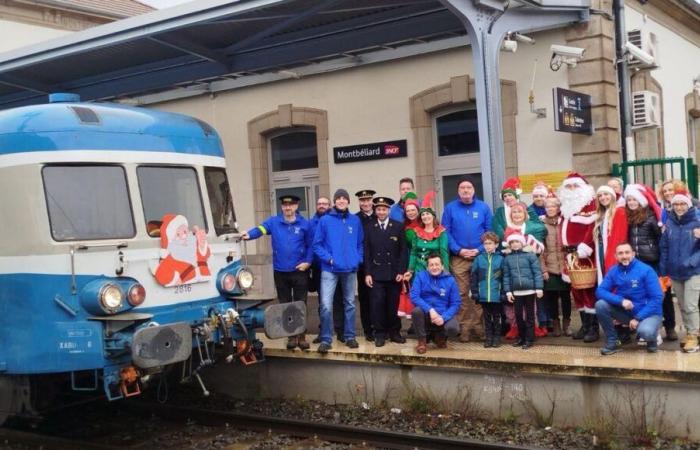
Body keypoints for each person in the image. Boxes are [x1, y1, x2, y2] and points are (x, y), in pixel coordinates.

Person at [242, 195, 313, 350]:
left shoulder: (305, 224)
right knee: (285, 305)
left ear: (296, 206)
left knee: (300, 304)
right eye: (285, 205)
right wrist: (249, 235)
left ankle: (301, 336)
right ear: (282, 207)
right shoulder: (274, 222)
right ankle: (291, 336)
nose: (288, 208)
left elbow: (310, 246)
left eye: (291, 205)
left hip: (299, 271)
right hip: (281, 271)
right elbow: (260, 229)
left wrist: (307, 262)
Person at [441, 176, 493, 342]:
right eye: (462, 187)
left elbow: (489, 231)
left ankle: (478, 327)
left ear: (473, 190)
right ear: (458, 191)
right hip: (459, 257)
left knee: (479, 293)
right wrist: (459, 250)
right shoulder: (450, 208)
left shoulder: (483, 208)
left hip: (480, 257)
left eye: (468, 187)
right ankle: (464, 328)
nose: (465, 190)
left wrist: (478, 249)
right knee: (461, 293)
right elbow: (445, 232)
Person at [313, 189, 364, 353]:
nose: (341, 201)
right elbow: (317, 245)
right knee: (326, 305)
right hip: (330, 269)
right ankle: (326, 338)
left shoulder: (355, 220)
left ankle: (350, 336)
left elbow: (360, 243)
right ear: (334, 202)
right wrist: (329, 259)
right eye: (338, 199)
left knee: (349, 304)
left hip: (349, 269)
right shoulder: (325, 220)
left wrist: (357, 259)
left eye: (344, 198)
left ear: (348, 202)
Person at [595, 242, 663, 355]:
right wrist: (621, 301)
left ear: (633, 254)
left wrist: (638, 318)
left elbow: (657, 298)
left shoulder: (646, 270)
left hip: (648, 313)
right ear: (615, 256)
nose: (624, 256)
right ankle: (613, 342)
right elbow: (600, 291)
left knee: (645, 332)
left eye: (627, 252)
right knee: (600, 305)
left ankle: (652, 338)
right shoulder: (614, 271)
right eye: (620, 253)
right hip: (627, 312)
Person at [558, 172, 600, 343]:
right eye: (569, 186)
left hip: (584, 254)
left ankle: (593, 328)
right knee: (576, 292)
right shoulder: (565, 206)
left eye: (576, 186)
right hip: (569, 255)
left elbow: (593, 227)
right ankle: (584, 325)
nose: (572, 189)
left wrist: (586, 245)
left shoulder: (591, 205)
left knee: (588, 290)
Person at [659, 188, 700, 353]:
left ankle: (693, 336)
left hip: (693, 271)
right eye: (676, 204)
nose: (679, 207)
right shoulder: (669, 223)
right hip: (674, 271)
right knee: (682, 305)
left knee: (690, 305)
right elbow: (664, 247)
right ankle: (693, 332)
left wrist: (692, 262)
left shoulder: (697, 221)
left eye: (683, 203)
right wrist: (664, 268)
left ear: (688, 204)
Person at [363, 196, 407, 347]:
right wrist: (367, 273)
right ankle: (380, 334)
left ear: (389, 210)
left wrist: (401, 270)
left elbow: (403, 251)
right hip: (376, 273)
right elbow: (366, 252)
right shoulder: (370, 228)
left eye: (384, 209)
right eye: (379, 209)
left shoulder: (398, 226)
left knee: (393, 304)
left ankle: (394, 332)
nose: (381, 212)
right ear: (375, 210)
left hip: (394, 273)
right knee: (377, 305)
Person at [309, 197, 345, 344]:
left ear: (330, 206)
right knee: (323, 303)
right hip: (319, 267)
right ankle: (324, 331)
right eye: (319, 204)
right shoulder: (311, 223)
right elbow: (311, 245)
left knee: (338, 300)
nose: (321, 206)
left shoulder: (336, 221)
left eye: (324, 204)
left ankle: (340, 331)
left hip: (336, 267)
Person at [410, 253, 461, 354]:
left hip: (442, 314)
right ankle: (422, 341)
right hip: (426, 314)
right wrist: (430, 309)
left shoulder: (450, 280)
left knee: (453, 328)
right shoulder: (420, 276)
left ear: (442, 266)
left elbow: (456, 303)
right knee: (416, 311)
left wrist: (444, 317)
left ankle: (440, 336)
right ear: (427, 267)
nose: (434, 267)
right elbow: (414, 296)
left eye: (437, 264)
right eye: (431, 265)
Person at [503, 232, 544, 350]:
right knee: (518, 316)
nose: (515, 244)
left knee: (530, 316)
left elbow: (537, 272)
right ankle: (521, 337)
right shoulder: (508, 258)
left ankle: (529, 339)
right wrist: (508, 292)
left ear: (522, 243)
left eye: (517, 242)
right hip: (516, 292)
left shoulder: (530, 255)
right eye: (512, 243)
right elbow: (506, 276)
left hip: (530, 291)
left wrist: (539, 288)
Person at [541, 193, 572, 337]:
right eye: (547, 206)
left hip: (565, 267)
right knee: (551, 298)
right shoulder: (541, 225)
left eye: (553, 206)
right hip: (550, 267)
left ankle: (567, 323)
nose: (550, 208)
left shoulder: (565, 222)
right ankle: (555, 323)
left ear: (559, 207)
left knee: (566, 297)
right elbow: (540, 250)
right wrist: (543, 269)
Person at [470, 232, 505, 348]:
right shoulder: (479, 259)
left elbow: (504, 277)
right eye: (486, 244)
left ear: (496, 244)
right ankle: (488, 337)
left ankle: (497, 337)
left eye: (490, 243)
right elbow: (473, 276)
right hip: (483, 294)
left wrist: (503, 292)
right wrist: (475, 291)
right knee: (486, 317)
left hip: (496, 295)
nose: (488, 246)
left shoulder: (501, 259)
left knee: (497, 316)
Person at [404, 192, 449, 277]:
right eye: (423, 215)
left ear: (433, 216)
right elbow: (413, 253)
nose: (425, 216)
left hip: (434, 270)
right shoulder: (417, 232)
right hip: (418, 270)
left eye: (427, 214)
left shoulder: (441, 232)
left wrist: (445, 271)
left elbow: (444, 253)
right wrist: (410, 271)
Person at [593, 185, 628, 283]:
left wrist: (614, 256)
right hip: (601, 252)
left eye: (606, 194)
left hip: (613, 253)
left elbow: (620, 237)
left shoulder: (619, 212)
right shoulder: (601, 214)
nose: (603, 197)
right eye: (600, 196)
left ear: (612, 196)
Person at [355, 189, 377, 341]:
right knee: (365, 299)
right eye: (362, 200)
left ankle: (381, 327)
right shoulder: (355, 219)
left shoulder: (380, 215)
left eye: (368, 200)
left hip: (380, 264)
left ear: (372, 201)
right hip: (363, 265)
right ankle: (368, 329)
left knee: (380, 298)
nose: (366, 203)